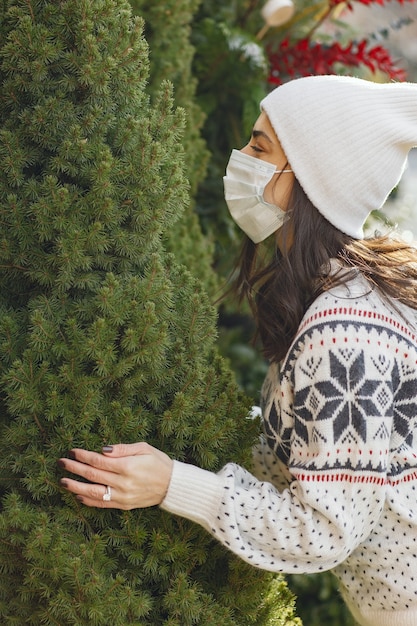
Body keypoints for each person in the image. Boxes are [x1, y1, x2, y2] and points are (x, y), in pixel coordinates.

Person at [58, 75, 417, 626]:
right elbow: (299, 460)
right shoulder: (335, 296)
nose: (241, 158)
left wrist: (172, 483)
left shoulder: (345, 330)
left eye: (260, 147)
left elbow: (323, 533)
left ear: (309, 179)